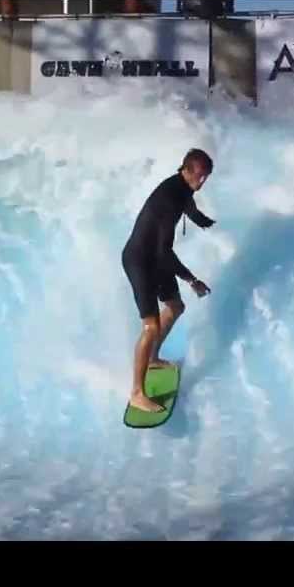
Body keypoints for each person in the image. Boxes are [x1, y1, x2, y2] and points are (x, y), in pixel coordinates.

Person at [122, 148, 216, 413]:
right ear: (185, 170)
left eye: (206, 178)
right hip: (140, 260)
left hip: (157, 258)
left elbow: (190, 205)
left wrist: (203, 221)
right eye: (199, 177)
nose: (202, 183)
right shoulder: (168, 198)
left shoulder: (183, 188)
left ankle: (153, 358)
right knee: (150, 327)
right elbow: (164, 251)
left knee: (176, 307)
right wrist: (192, 279)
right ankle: (136, 393)